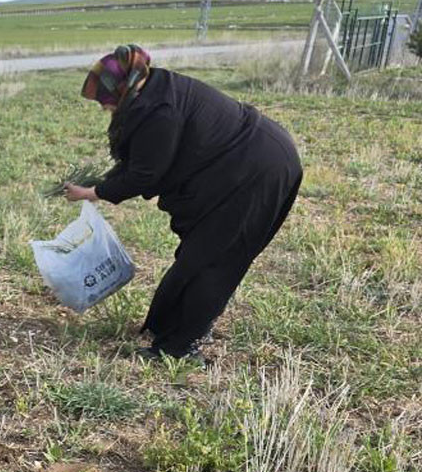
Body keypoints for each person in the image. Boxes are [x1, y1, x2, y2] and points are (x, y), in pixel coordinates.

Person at [65, 45, 303, 360]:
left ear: (122, 88)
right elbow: (141, 160)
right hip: (241, 162)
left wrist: (93, 192)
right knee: (197, 254)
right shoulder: (150, 89)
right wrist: (102, 182)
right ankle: (170, 327)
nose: (105, 108)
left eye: (106, 101)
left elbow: (145, 174)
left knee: (214, 259)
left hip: (259, 169)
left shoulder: (159, 110)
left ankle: (179, 348)